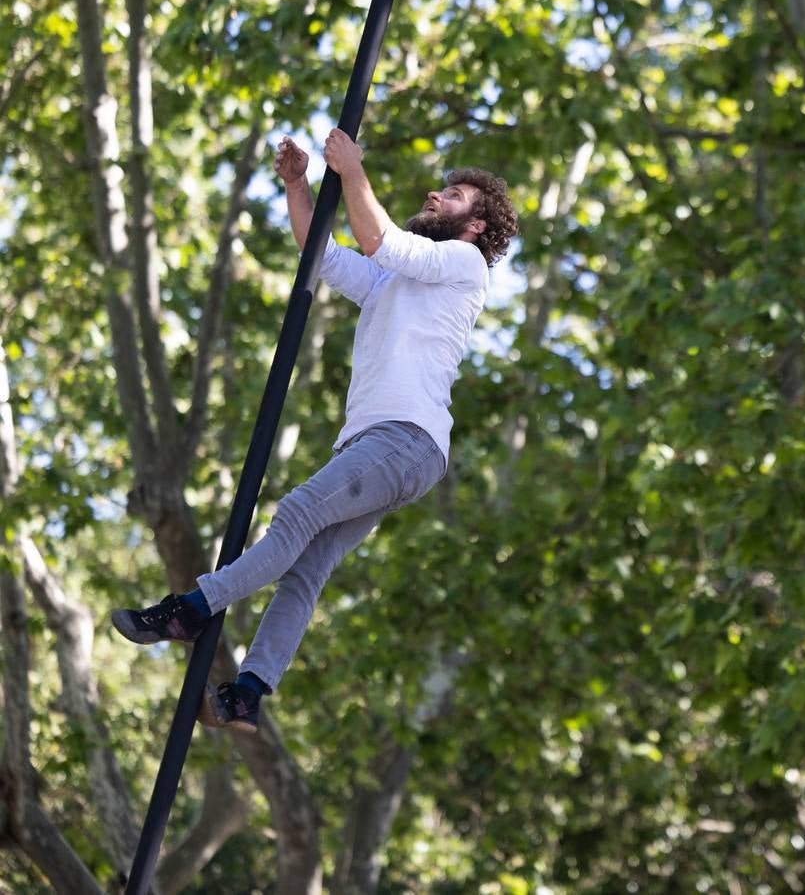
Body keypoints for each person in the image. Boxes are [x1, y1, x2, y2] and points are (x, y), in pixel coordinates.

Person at [112, 130, 518, 733]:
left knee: (297, 515)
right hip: (392, 448)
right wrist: (298, 186)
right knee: (305, 566)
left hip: (403, 438)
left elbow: (380, 239)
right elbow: (321, 256)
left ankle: (190, 610)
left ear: (476, 226)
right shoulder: (397, 284)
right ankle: (249, 691)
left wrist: (352, 171)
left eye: (453, 195)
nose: (435, 194)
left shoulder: (461, 264)